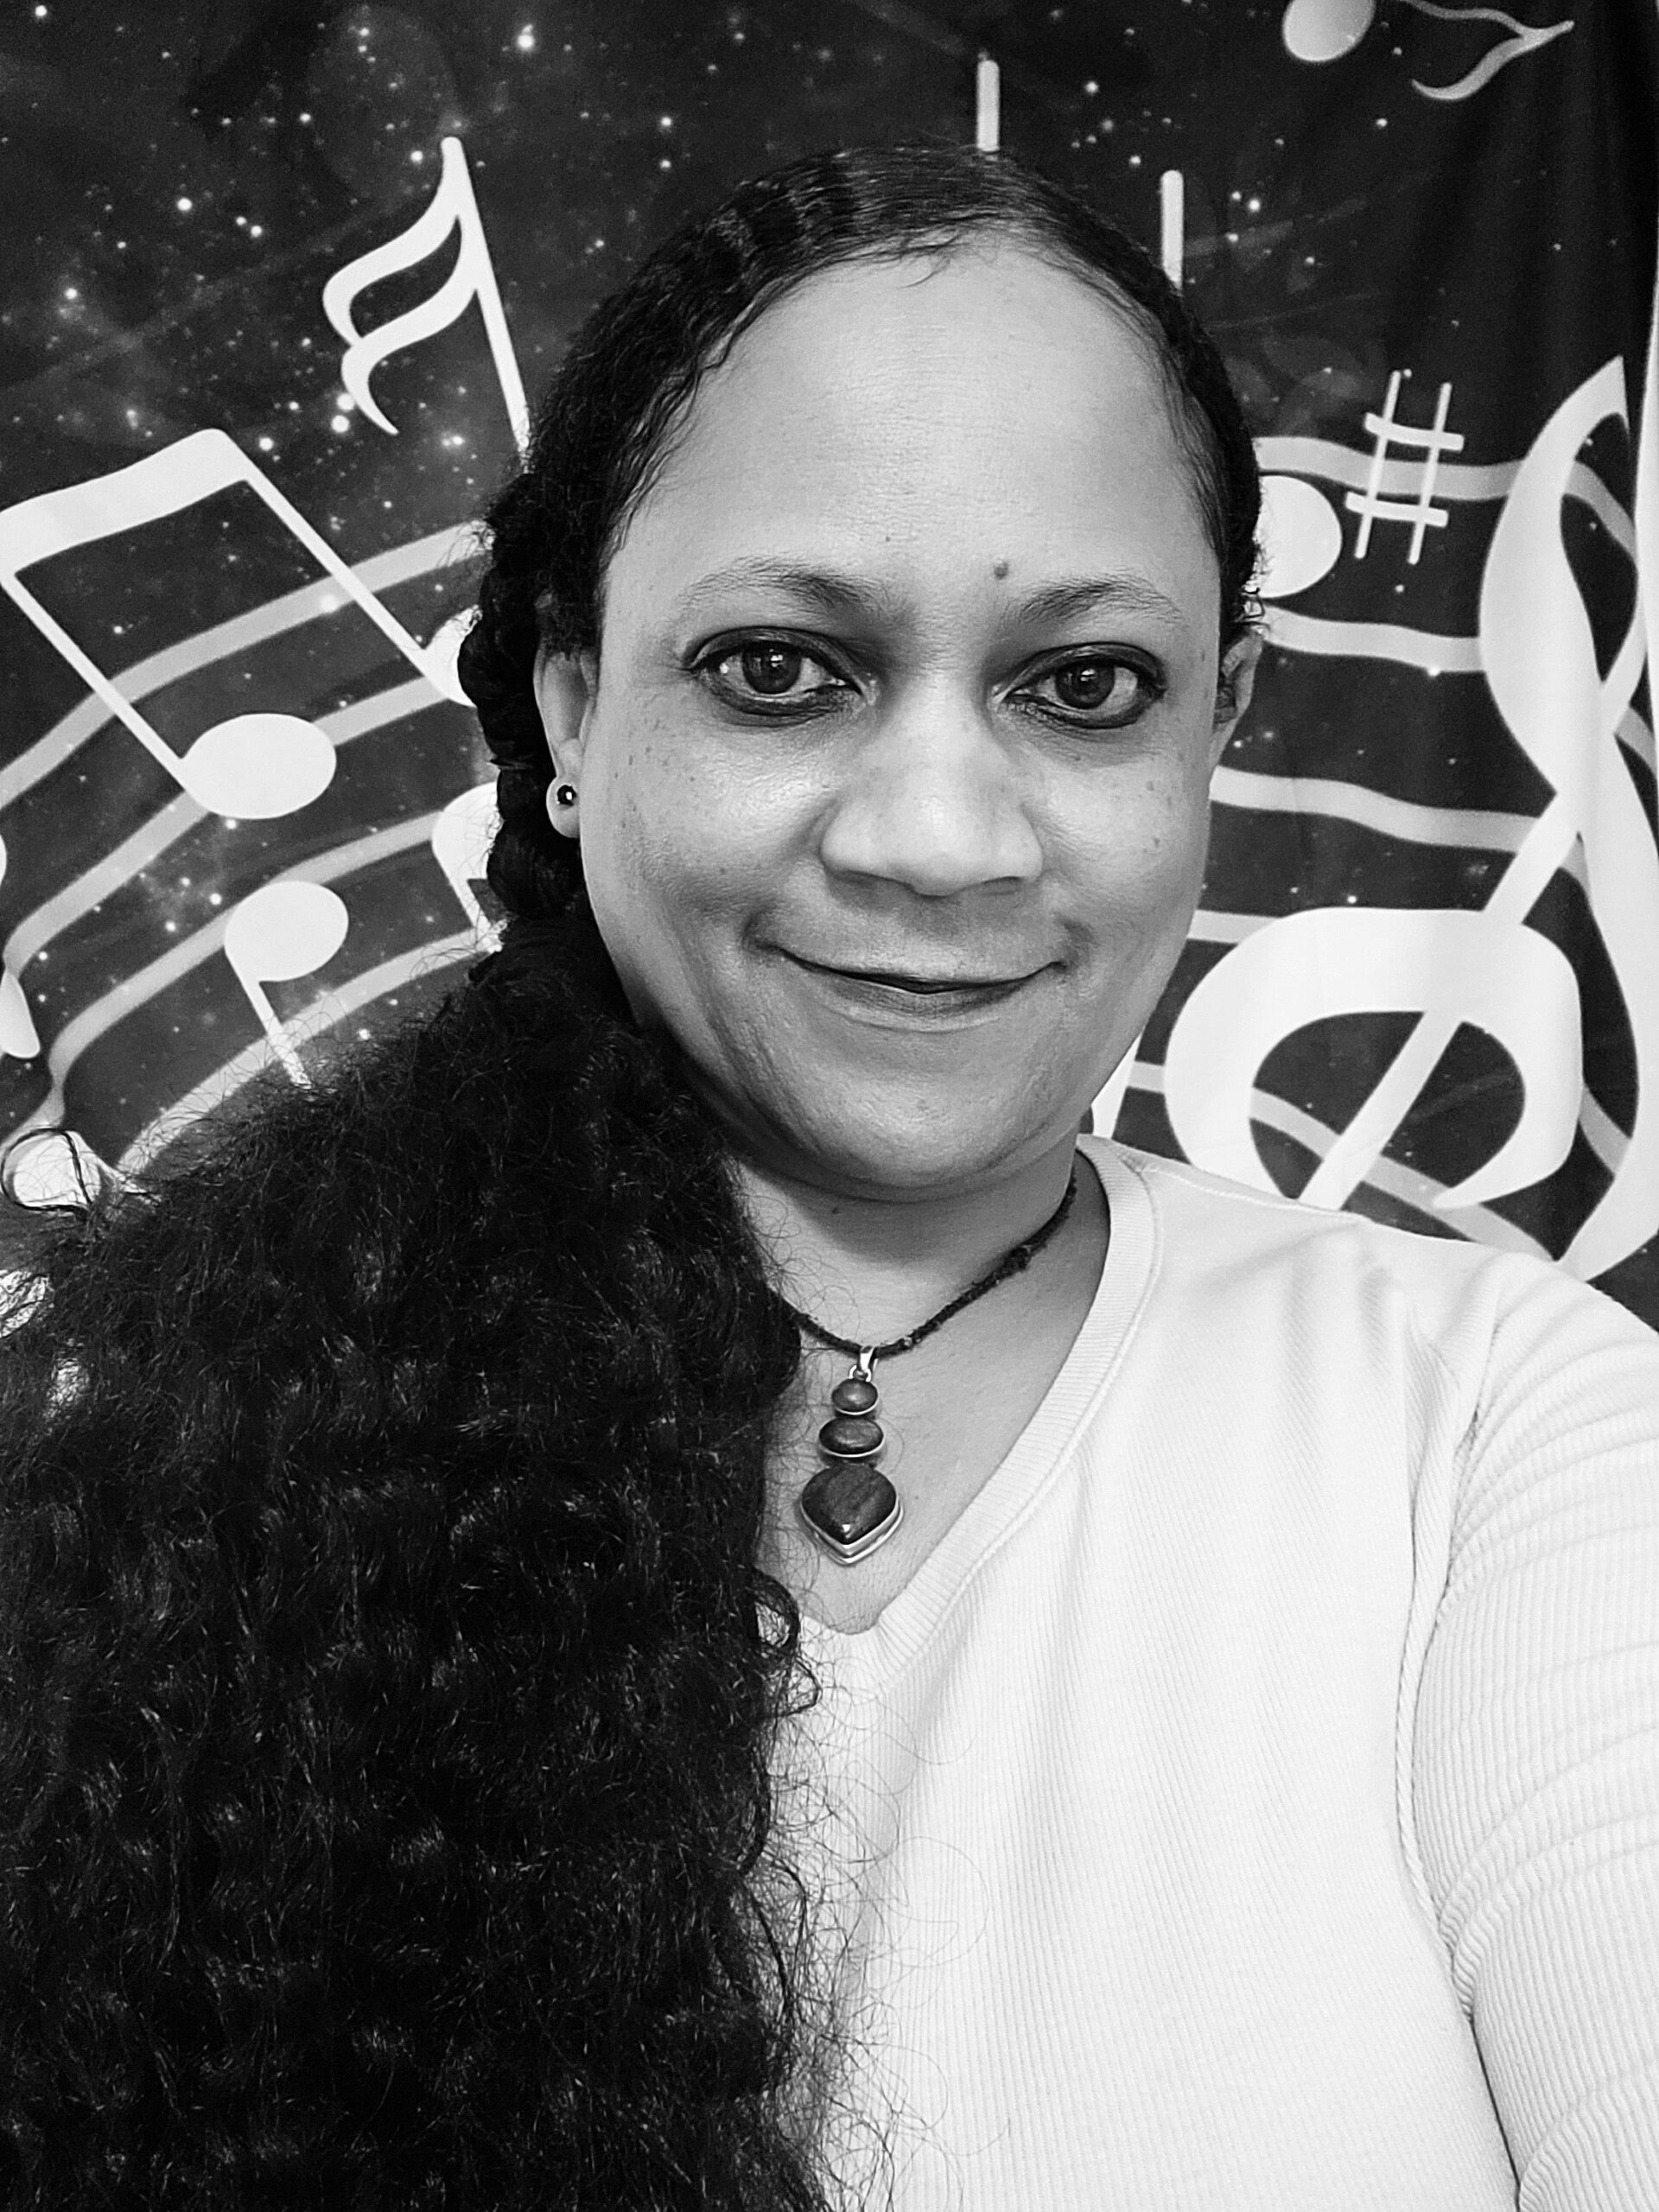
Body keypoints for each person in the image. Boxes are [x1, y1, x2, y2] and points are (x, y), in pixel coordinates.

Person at [0, 142, 1655, 2212]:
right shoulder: (155, 1450)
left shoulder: (1504, 1432)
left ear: (1218, 721)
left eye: (1084, 685)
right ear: (572, 706)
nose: (938, 836)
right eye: (783, 668)